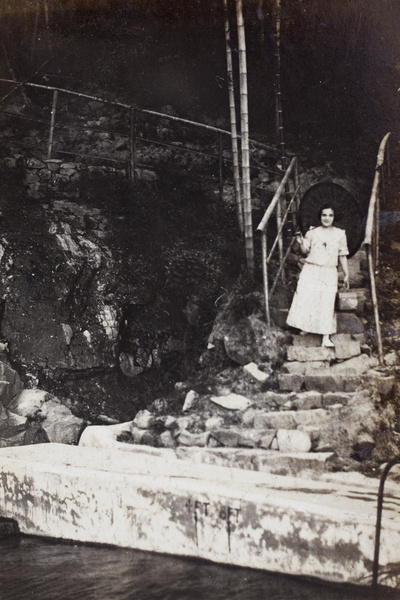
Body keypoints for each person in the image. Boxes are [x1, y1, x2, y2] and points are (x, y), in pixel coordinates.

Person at [286, 204, 349, 347]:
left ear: (334, 217)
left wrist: (346, 274)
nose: (327, 218)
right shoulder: (312, 232)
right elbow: (305, 251)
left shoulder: (340, 234)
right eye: (324, 215)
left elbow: (343, 255)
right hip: (311, 269)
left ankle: (325, 337)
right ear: (320, 216)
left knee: (327, 301)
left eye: (330, 215)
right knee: (307, 297)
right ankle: (306, 327)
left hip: (328, 271)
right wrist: (301, 241)